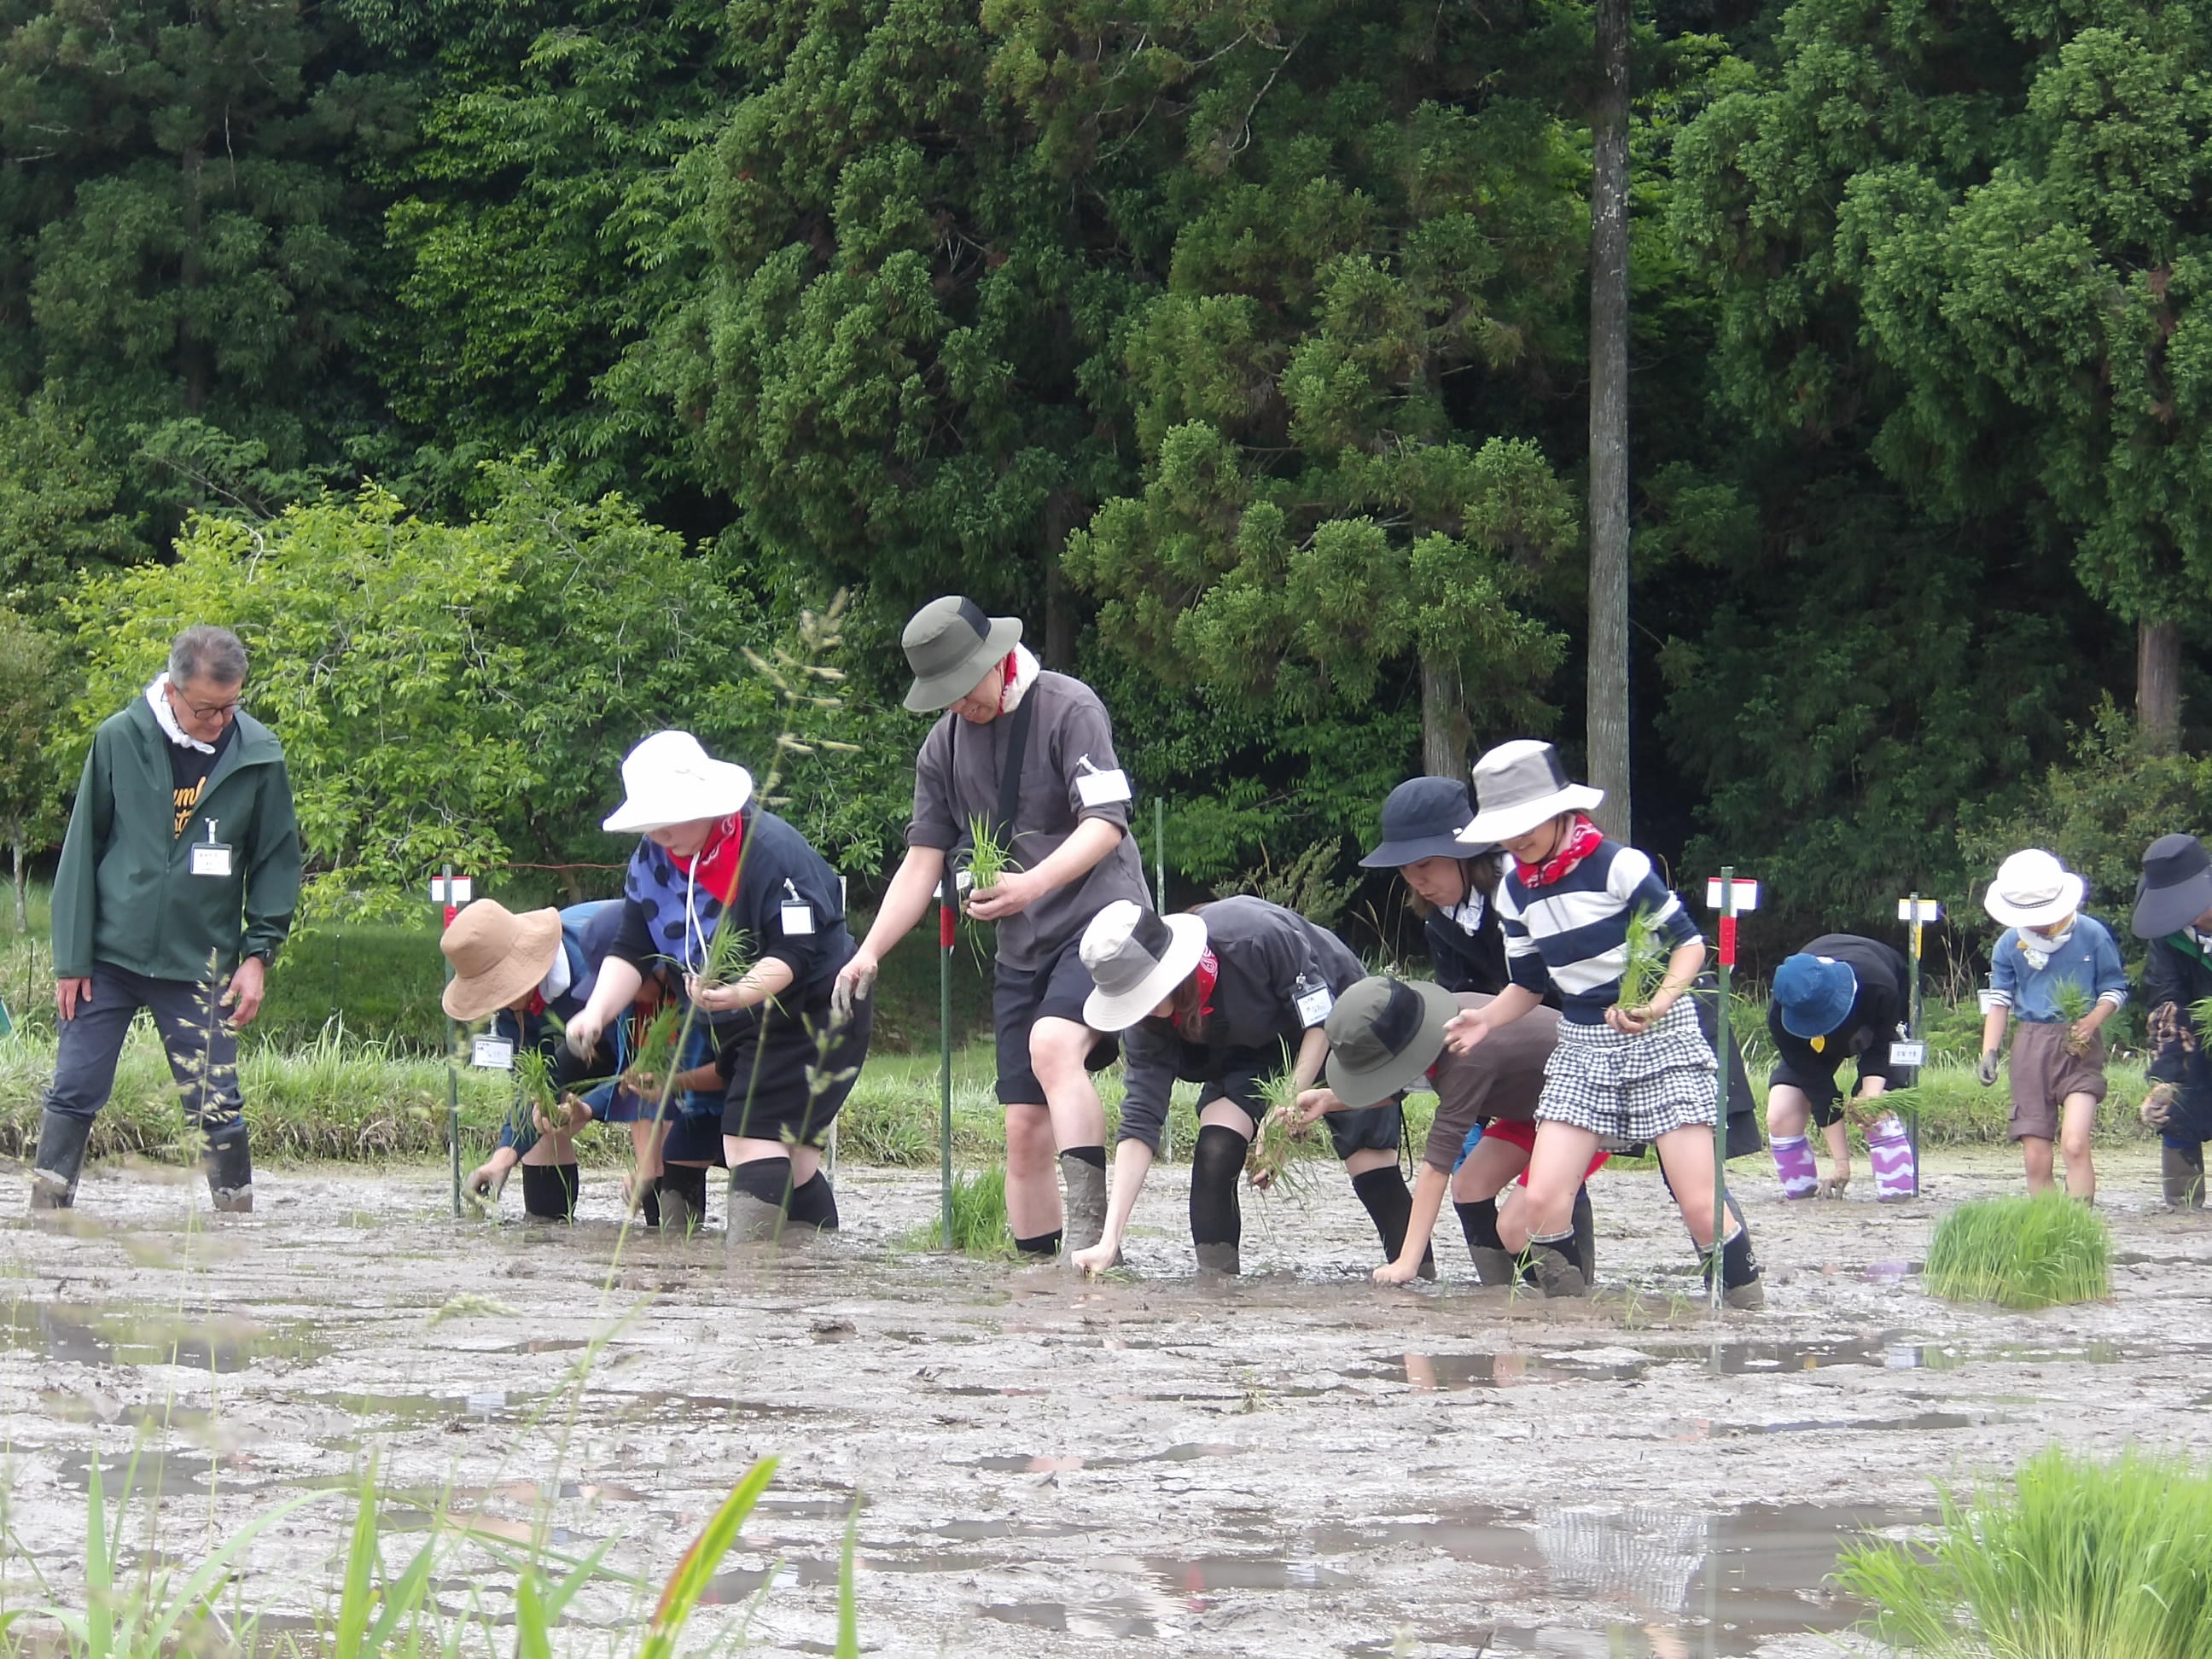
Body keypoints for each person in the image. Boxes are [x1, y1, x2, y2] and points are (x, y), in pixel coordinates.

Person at [834, 597, 1150, 1260]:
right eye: (941, 696)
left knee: (1054, 1044)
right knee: (1022, 1127)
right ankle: (1038, 1272)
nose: (957, 706)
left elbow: (1105, 823)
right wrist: (869, 951)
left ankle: (1097, 1250)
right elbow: (922, 862)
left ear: (998, 660)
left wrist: (1031, 884)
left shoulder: (1071, 709)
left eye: (961, 688)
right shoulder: (942, 747)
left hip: (1102, 922)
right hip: (1022, 943)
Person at [1441, 740, 1765, 1308]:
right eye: (1506, 829)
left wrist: (1657, 1004)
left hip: (1662, 1036)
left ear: (1561, 810)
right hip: (1583, 1045)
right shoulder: (1515, 891)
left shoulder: (1618, 866)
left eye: (1528, 823)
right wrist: (1485, 1020)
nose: (1518, 840)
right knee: (1540, 1201)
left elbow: (1689, 946)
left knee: (1698, 1203)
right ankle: (1570, 1320)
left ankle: (1744, 1315)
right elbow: (1529, 985)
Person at [31, 626, 301, 1214]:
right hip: (107, 956)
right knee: (74, 1087)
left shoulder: (259, 753)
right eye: (207, 709)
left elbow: (278, 860)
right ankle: (47, 1214)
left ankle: (236, 1217)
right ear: (174, 691)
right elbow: (81, 854)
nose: (221, 720)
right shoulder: (118, 738)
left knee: (215, 1100)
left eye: (233, 706)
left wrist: (258, 956)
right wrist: (71, 958)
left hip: (199, 961)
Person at [563, 731, 870, 1240]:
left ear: (705, 803)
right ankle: (812, 1269)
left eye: (668, 819)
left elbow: (796, 952)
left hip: (814, 1011)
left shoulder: (769, 852)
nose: (658, 834)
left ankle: (750, 1278)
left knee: (748, 1137)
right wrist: (595, 1013)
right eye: (650, 823)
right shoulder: (652, 860)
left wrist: (739, 992)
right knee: (789, 1158)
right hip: (742, 1019)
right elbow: (632, 947)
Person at [1069, 895, 1427, 1278]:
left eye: (1145, 993)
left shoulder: (1254, 937)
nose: (1141, 1008)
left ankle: (1419, 1282)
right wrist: (1109, 1241)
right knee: (1216, 1148)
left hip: (1337, 1022)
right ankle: (1218, 1291)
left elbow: (1320, 1020)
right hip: (1247, 1042)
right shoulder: (1147, 1023)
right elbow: (1140, 1122)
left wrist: (1286, 1112)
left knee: (1369, 1162)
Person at [1295, 975, 1608, 1287]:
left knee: (1515, 1225)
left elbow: (1436, 1166)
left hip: (1590, 1104)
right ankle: (1500, 1295)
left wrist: (1407, 1262)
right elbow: (1400, 1084)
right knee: (1470, 1186)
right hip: (1535, 1108)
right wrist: (1328, 1100)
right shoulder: (1437, 1028)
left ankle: (1572, 1303)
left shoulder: (1465, 1056)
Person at [443, 898, 626, 1221]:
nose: (496, 1002)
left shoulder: (596, 960)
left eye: (499, 988)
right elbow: (528, 1086)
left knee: (662, 1132)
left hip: (666, 1036)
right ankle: (548, 1242)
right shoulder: (513, 1006)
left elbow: (640, 1066)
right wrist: (504, 1155)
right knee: (544, 1114)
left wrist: (590, 1107)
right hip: (588, 1041)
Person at [1977, 848, 2127, 1200]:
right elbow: (2000, 1001)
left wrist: (2091, 1021)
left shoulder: (2091, 934)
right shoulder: (2009, 944)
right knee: (2035, 1155)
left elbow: (2115, 989)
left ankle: (2080, 1226)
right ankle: (2047, 1226)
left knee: (2074, 1143)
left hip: (2080, 1045)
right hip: (2030, 1047)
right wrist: (1989, 1051)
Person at [1764, 935, 1911, 1199]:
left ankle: (1897, 1197)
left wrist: (1870, 1095)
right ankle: (1802, 1197)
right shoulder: (1782, 1015)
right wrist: (1841, 1163)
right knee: (1781, 1113)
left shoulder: (1879, 983)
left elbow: (1881, 1045)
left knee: (1878, 1113)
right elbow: (1818, 1087)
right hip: (1815, 1045)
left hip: (1876, 1028)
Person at [1359, 777, 1511, 993]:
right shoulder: (1438, 922)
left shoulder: (1523, 887)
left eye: (1424, 864)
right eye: (1403, 868)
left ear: (1463, 852)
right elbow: (1459, 995)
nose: (1415, 881)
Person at [2132, 834, 2212, 1208]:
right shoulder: (2168, 938)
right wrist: (2164, 1080)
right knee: (2179, 1104)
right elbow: (2167, 1002)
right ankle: (2183, 1207)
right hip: (2194, 1028)